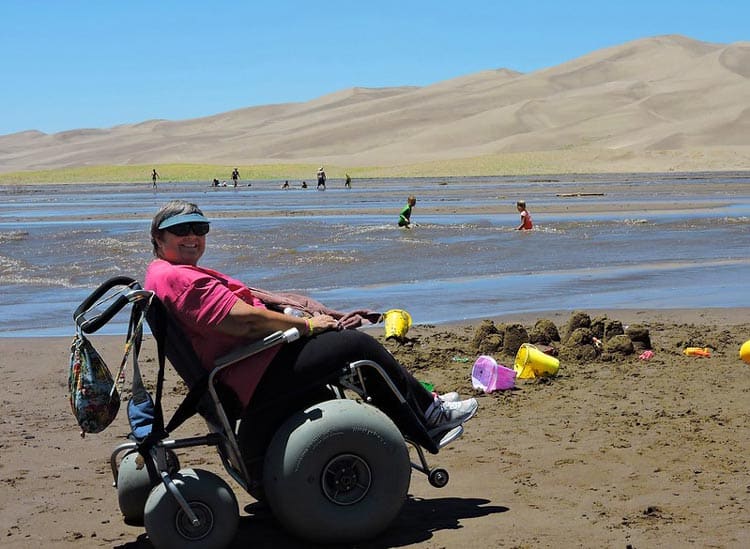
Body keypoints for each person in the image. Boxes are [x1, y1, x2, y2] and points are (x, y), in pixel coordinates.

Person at [144, 200, 477, 454]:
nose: (193, 237)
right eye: (182, 230)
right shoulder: (178, 277)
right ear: (159, 237)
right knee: (355, 346)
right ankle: (429, 415)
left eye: (200, 230)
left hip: (248, 364)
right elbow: (244, 321)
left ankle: (418, 407)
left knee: (340, 342)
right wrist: (305, 324)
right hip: (251, 370)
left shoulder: (161, 272)